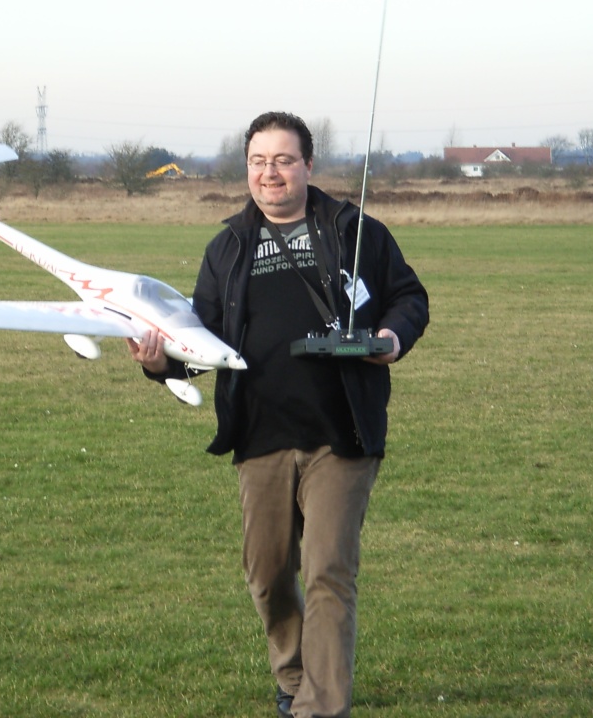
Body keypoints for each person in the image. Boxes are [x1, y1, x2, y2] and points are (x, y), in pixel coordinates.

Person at [128, 111, 429, 718]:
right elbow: (201, 342)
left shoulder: (355, 231)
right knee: (267, 574)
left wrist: (391, 338)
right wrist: (160, 364)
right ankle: (293, 678)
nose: (271, 173)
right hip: (259, 435)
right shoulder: (228, 247)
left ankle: (320, 706)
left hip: (341, 434)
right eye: (259, 161)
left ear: (308, 165)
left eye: (284, 160)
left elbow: (408, 297)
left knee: (328, 571)